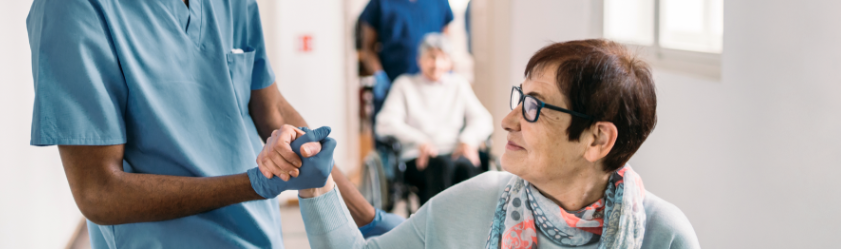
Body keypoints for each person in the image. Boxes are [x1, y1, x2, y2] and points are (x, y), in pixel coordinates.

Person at [25, 0, 397, 247]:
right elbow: (99, 193)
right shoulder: (76, 2)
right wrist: (253, 184)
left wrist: (366, 218)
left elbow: (268, 107)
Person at [296, 39, 701, 249]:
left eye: (533, 107)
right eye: (518, 98)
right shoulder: (471, 204)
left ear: (597, 139)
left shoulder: (664, 235)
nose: (508, 121)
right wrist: (318, 185)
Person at [375, 33, 493, 204]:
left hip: (454, 150)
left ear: (449, 62)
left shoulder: (458, 84)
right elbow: (385, 123)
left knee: (467, 167)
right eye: (431, 57)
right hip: (419, 156)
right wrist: (420, 140)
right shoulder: (404, 85)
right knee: (441, 167)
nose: (436, 64)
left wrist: (468, 140)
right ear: (419, 60)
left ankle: (470, 225)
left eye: (443, 58)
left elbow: (483, 118)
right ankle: (435, 227)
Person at [358, 0, 455, 115]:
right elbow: (367, 48)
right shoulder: (381, 1)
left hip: (431, 90)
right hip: (393, 86)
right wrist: (379, 76)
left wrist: (449, 72)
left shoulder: (439, 0)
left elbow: (446, 44)